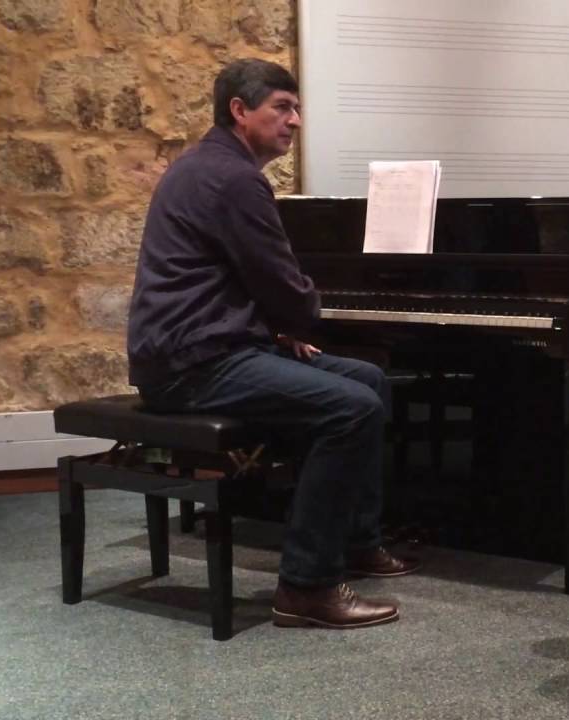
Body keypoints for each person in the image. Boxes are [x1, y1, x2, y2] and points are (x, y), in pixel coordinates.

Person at [126, 58, 418, 630]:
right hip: (192, 364)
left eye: (297, 108)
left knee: (368, 380)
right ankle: (306, 586)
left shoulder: (205, 166)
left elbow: (238, 280)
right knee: (352, 407)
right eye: (282, 107)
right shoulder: (234, 179)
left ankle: (356, 540)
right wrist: (298, 319)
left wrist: (281, 326)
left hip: (205, 345)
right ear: (239, 110)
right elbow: (284, 287)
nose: (296, 121)